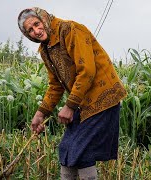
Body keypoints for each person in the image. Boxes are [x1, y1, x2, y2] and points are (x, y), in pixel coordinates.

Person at [18, 7, 127, 180]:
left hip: (103, 97)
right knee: (67, 150)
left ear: (43, 19)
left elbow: (87, 71)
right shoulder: (46, 49)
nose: (36, 31)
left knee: (81, 152)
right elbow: (55, 85)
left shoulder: (70, 30)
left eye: (37, 24)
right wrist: (40, 113)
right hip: (83, 102)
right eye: (30, 30)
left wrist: (69, 106)